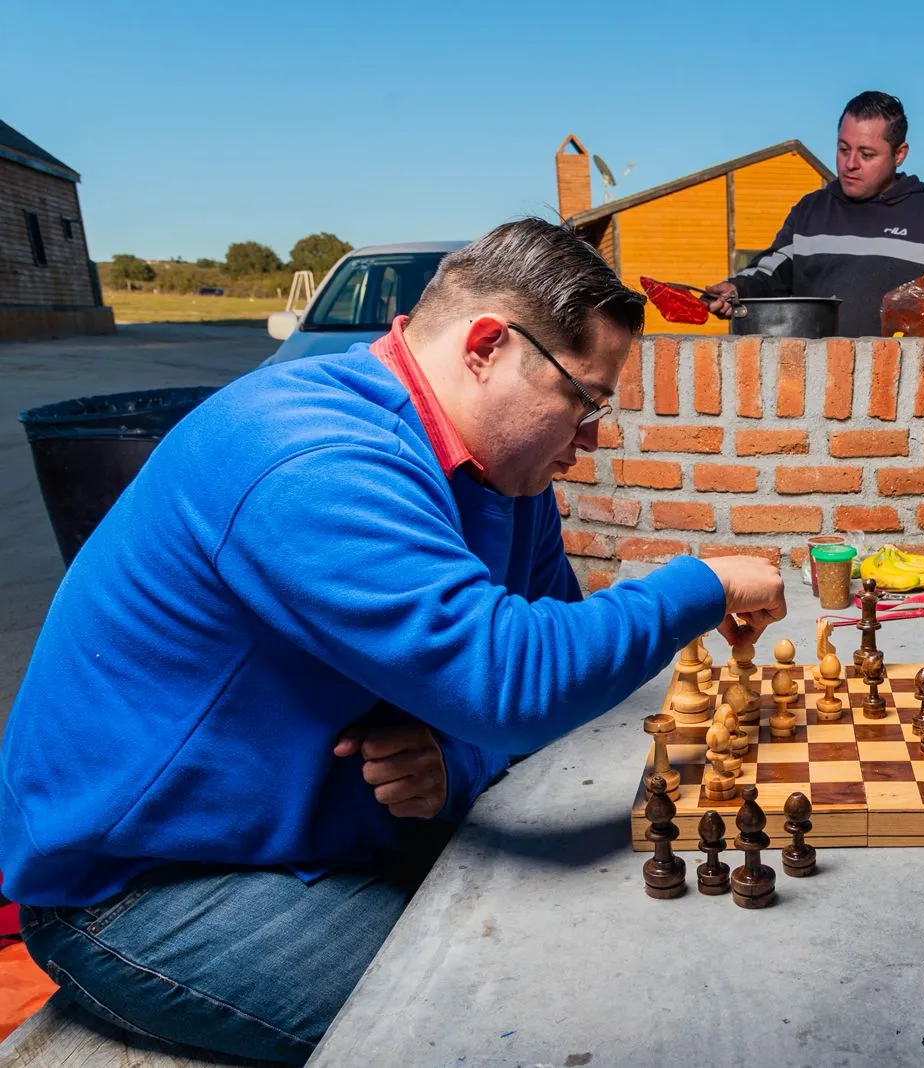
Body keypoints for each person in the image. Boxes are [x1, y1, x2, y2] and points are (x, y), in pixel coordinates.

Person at [0, 219, 786, 1062]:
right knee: (532, 1018)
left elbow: (537, 681)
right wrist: (700, 585)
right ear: (487, 345)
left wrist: (459, 758)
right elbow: (511, 680)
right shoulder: (308, 453)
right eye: (583, 399)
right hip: (143, 888)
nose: (594, 435)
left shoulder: (502, 473)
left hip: (319, 836)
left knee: (620, 934)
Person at [702, 91, 924, 336]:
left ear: (899, 154)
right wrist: (736, 288)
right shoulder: (810, 211)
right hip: (816, 395)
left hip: (905, 400)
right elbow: (768, 273)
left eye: (866, 154)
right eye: (843, 149)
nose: (850, 164)